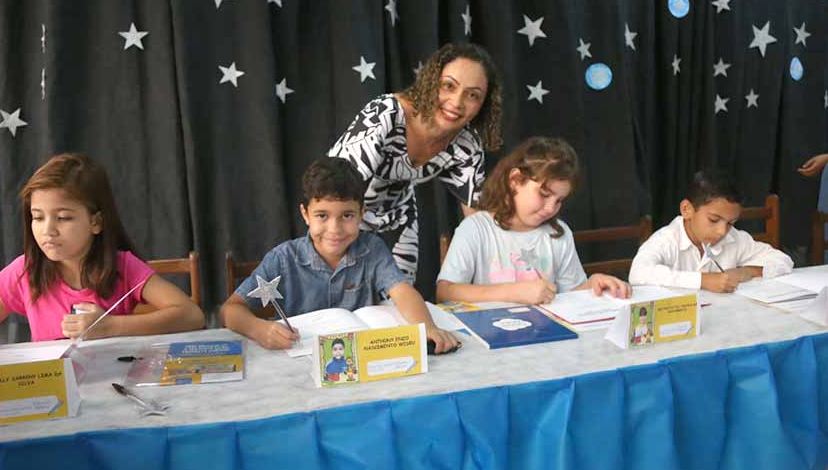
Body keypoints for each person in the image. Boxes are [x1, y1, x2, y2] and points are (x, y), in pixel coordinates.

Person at [0, 153, 204, 349]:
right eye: (37, 217)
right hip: (51, 397)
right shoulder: (24, 271)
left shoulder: (124, 267)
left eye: (63, 218)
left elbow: (191, 315)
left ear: (95, 222)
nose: (48, 230)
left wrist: (109, 327)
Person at [220, 157, 460, 353]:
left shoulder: (372, 249)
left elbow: (402, 291)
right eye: (322, 215)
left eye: (347, 216)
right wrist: (259, 330)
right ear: (305, 214)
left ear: (361, 213)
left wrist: (427, 327)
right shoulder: (283, 258)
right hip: (303, 363)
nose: (334, 230)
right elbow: (230, 310)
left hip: (361, 361)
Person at [328, 43, 504, 280]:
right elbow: (335, 194)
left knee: (401, 310)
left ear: (484, 104)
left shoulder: (465, 143)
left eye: (473, 95)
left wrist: (506, 268)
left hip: (398, 218)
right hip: (339, 216)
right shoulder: (386, 114)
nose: (457, 102)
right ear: (431, 82)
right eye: (448, 86)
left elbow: (477, 217)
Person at [436, 137, 631, 304]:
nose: (550, 208)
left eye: (559, 200)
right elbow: (444, 292)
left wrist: (592, 285)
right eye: (544, 194)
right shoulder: (476, 229)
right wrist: (515, 292)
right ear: (515, 180)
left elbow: (571, 294)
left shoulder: (559, 233)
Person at [629, 170, 793, 292]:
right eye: (714, 220)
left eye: (731, 223)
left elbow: (783, 261)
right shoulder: (666, 240)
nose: (722, 231)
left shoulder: (733, 238)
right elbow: (638, 273)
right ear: (687, 210)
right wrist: (703, 281)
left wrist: (746, 271)